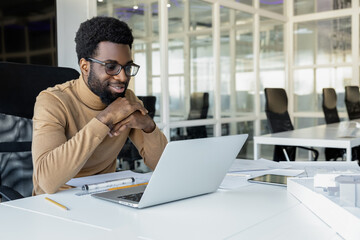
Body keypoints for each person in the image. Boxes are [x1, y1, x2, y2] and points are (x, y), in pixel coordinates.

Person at [32, 16, 168, 195]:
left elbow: (165, 168)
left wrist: (149, 126)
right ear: (85, 66)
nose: (122, 77)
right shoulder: (53, 101)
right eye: (111, 67)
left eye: (127, 67)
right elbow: (47, 181)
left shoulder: (126, 100)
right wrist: (105, 118)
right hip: (57, 202)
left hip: (104, 196)